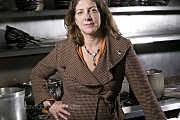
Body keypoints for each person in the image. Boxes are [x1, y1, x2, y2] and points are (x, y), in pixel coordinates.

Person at [30, 0, 167, 120]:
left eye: (92, 10)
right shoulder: (63, 49)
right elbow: (37, 74)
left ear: (102, 14)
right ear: (75, 20)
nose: (87, 17)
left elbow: (145, 94)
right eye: (80, 12)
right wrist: (50, 104)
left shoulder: (121, 47)